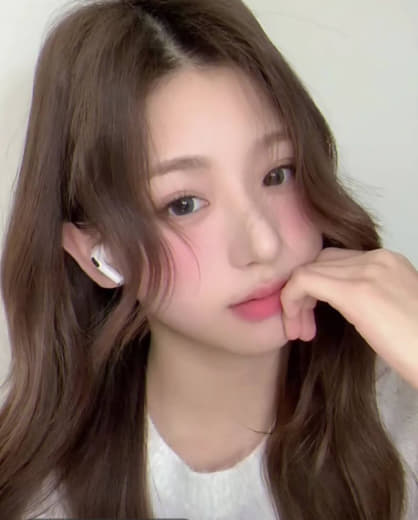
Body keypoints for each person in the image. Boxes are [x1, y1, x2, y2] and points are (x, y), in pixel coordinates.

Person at [0, 0, 417, 519]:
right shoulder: (38, 496)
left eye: (278, 174)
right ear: (95, 253)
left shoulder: (400, 406)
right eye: (184, 204)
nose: (263, 245)